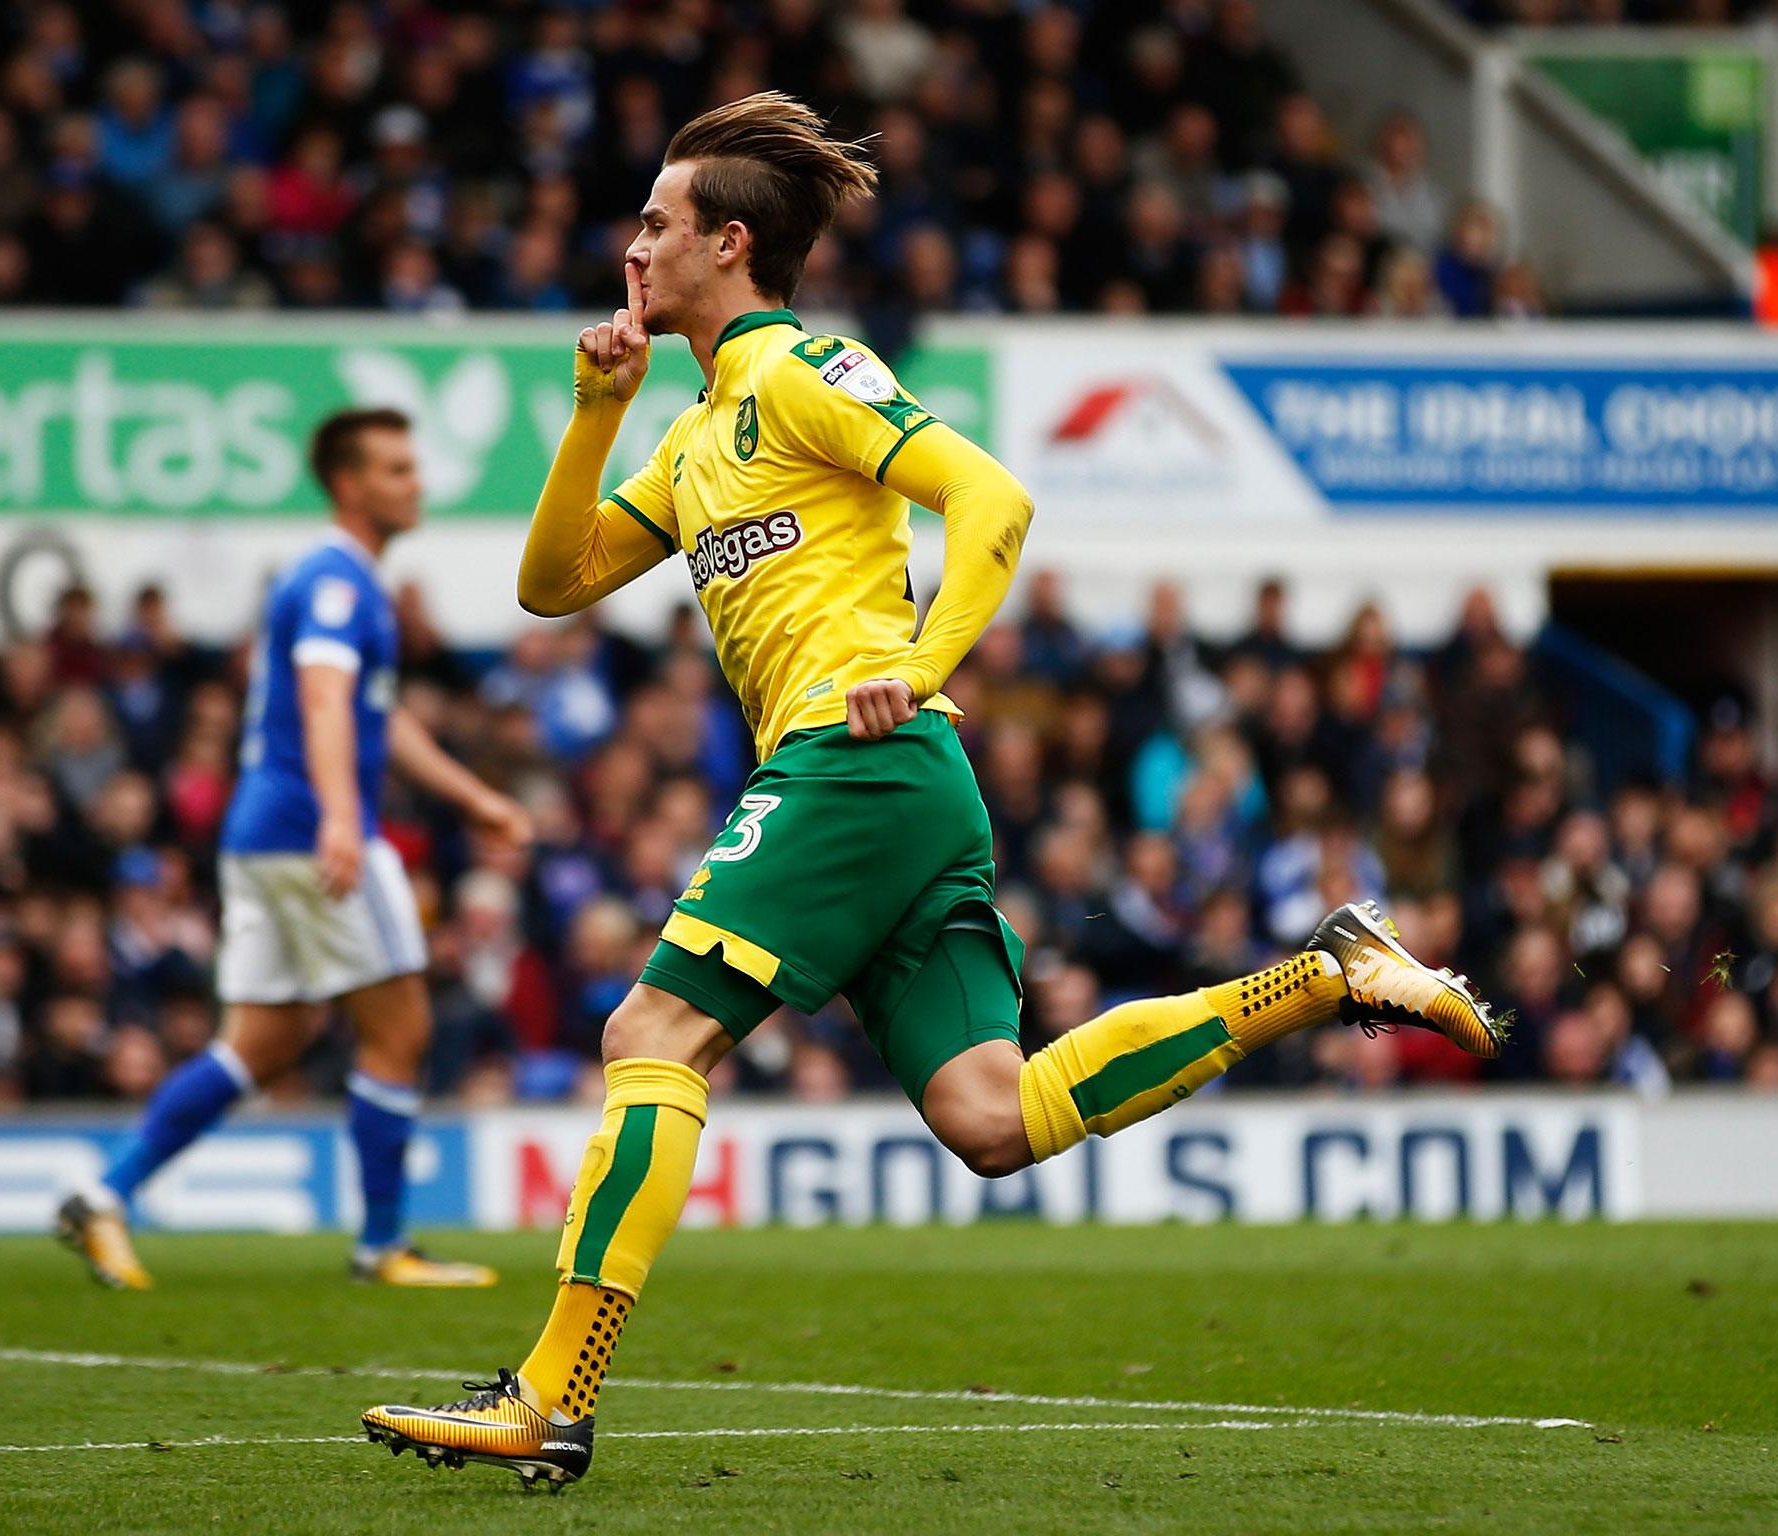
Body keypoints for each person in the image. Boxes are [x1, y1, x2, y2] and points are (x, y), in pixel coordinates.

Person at [360, 92, 1503, 1492]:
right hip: (902, 789)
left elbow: (994, 500)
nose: (632, 249)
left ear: (729, 244)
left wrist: (915, 658)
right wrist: (598, 411)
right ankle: (1322, 977)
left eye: (657, 225)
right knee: (990, 1116)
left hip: (861, 757)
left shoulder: (804, 373)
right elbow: (553, 585)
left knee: (650, 1026)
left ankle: (551, 1392)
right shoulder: (697, 433)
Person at [56, 408, 531, 1290]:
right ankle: (382, 1243)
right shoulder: (335, 583)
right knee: (402, 1029)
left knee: (262, 1046)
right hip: (311, 831)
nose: (415, 482)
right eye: (394, 469)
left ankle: (102, 1193)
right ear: (348, 486)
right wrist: (343, 820)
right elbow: (323, 704)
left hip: (264, 837)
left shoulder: (340, 581)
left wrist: (474, 799)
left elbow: (374, 719)